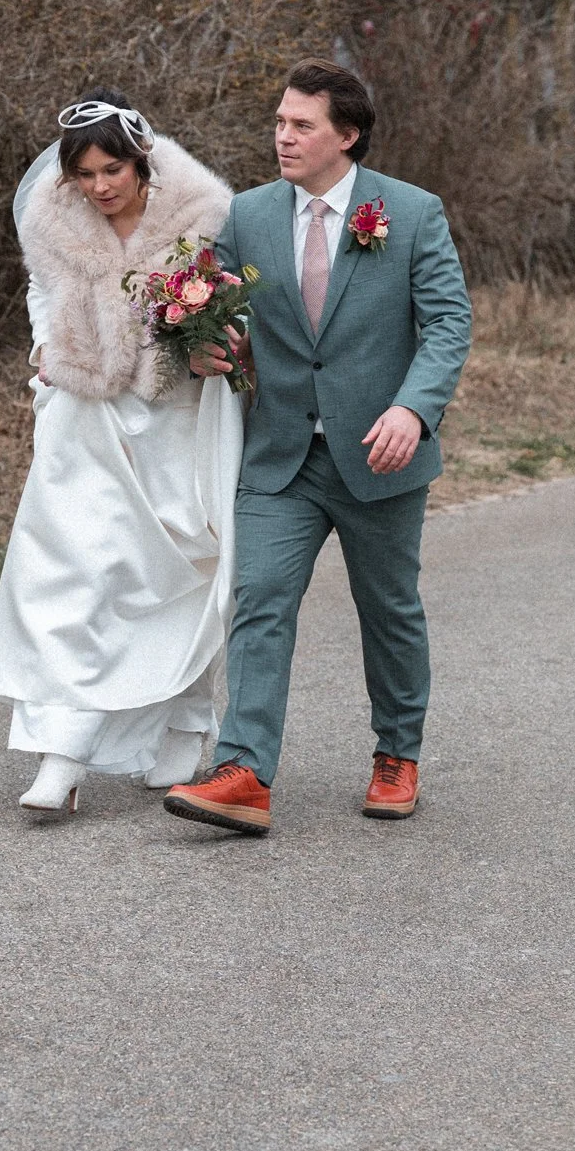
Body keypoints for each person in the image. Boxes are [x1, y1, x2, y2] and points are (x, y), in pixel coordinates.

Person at [164, 60, 471, 835]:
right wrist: (207, 347)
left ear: (347, 134)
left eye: (301, 124)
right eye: (278, 122)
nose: (283, 136)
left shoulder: (410, 211)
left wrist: (413, 409)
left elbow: (446, 325)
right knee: (260, 602)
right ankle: (243, 773)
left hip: (380, 456)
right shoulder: (250, 214)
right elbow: (223, 316)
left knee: (388, 609)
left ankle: (396, 754)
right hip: (279, 456)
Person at [0, 94, 241, 821]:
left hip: (173, 420)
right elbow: (40, 287)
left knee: (178, 576)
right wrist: (42, 346)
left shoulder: (200, 217)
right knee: (75, 578)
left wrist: (209, 338)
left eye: (113, 169)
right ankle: (62, 754)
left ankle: (186, 725)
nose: (100, 186)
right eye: (86, 174)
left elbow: (229, 304)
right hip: (83, 417)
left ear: (140, 160)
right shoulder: (54, 219)